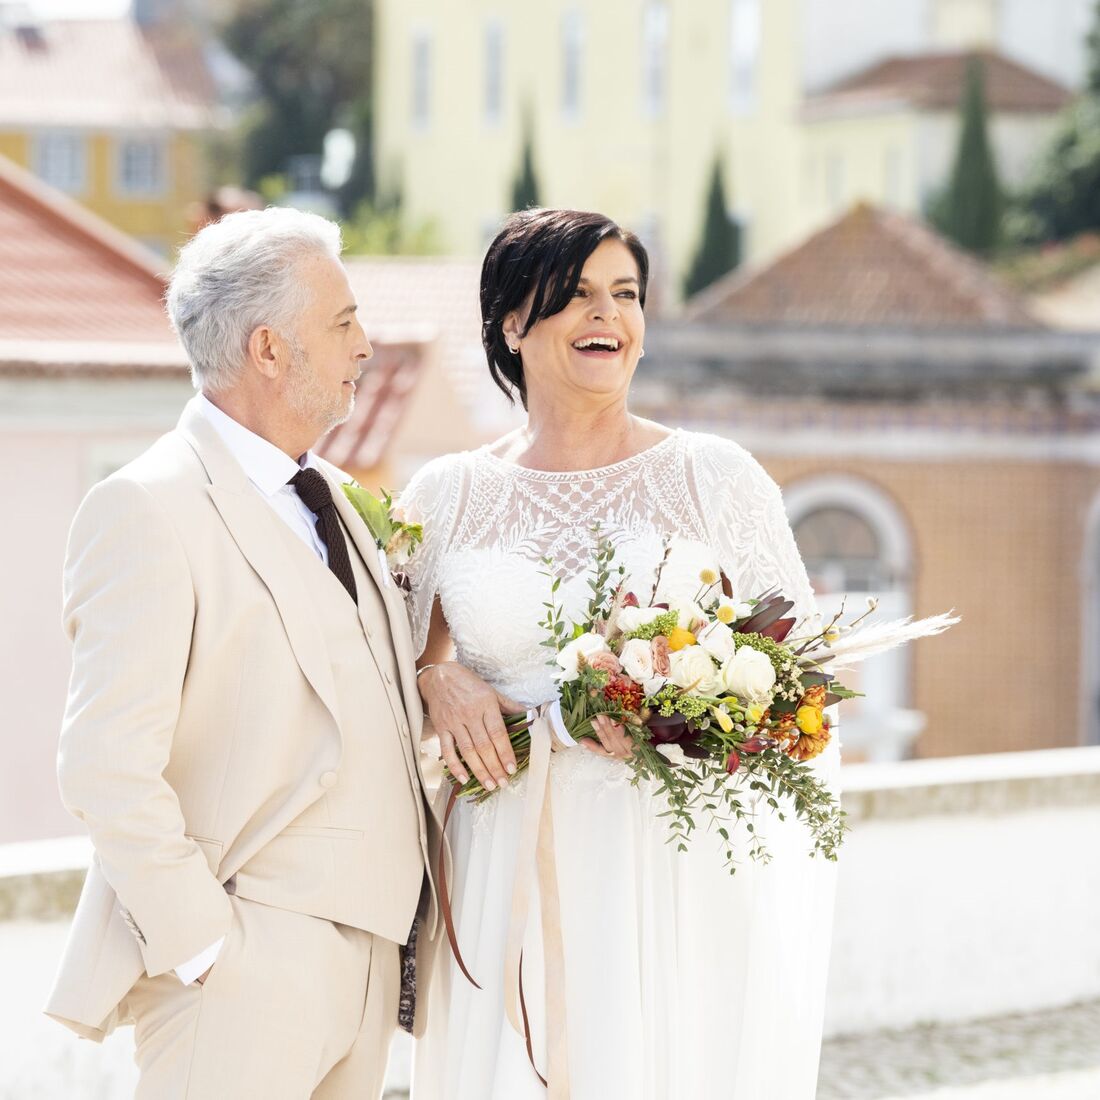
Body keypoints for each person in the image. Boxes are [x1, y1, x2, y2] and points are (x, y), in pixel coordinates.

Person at [403, 208, 840, 1099]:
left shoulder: (712, 477)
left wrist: (677, 710)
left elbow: (805, 682)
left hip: (669, 869)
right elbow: (381, 674)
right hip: (498, 867)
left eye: (626, 294)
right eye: (577, 296)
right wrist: (435, 678)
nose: (609, 316)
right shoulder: (445, 496)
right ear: (514, 324)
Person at [44, 207, 440, 1099]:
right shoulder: (146, 508)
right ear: (269, 350)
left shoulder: (337, 497)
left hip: (372, 965)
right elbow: (105, 766)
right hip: (243, 968)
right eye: (342, 324)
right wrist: (207, 946)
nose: (365, 346)